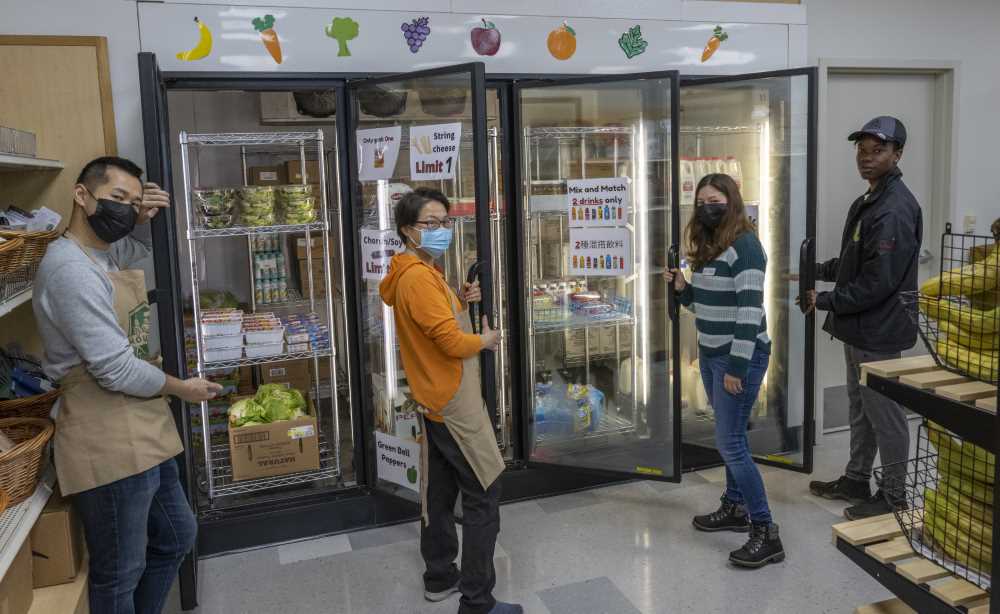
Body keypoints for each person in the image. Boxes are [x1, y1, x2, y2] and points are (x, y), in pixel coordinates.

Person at [33, 157, 222, 614]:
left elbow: (146, 258)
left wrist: (142, 218)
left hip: (137, 416)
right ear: (82, 195)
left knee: (177, 535)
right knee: (120, 569)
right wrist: (182, 388)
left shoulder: (103, 253)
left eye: (133, 202)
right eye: (117, 199)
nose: (125, 209)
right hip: (103, 427)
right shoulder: (69, 269)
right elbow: (115, 369)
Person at [379, 188, 521, 614]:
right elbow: (451, 341)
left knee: (439, 492)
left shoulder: (418, 269)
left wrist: (461, 298)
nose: (442, 230)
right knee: (484, 490)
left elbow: (436, 319)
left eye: (446, 222)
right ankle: (477, 602)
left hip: (433, 397)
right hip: (452, 400)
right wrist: (487, 339)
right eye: (430, 223)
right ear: (407, 230)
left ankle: (440, 576)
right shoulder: (419, 278)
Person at [803, 116, 923, 520]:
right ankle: (856, 478)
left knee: (885, 414)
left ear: (897, 154)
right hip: (861, 328)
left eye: (878, 151)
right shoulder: (870, 200)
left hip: (880, 332)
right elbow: (858, 263)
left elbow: (877, 282)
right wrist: (817, 270)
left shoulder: (894, 209)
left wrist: (825, 299)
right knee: (860, 406)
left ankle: (893, 496)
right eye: (862, 149)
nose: (867, 158)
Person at [664, 173, 785, 569]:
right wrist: (685, 288)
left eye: (714, 199)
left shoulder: (747, 248)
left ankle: (766, 531)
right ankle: (734, 507)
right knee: (732, 437)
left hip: (740, 358)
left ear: (731, 202)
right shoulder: (714, 247)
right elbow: (708, 307)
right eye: (701, 201)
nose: (707, 207)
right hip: (715, 356)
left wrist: (736, 366)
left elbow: (750, 312)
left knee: (730, 442)